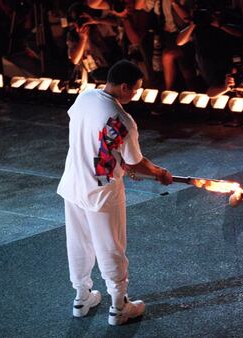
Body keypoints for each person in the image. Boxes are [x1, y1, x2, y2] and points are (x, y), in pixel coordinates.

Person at [57, 60, 173, 325]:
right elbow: (135, 162)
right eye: (136, 90)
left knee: (78, 242)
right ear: (124, 87)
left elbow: (91, 137)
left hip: (73, 183)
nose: (136, 94)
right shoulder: (124, 120)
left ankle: (81, 296)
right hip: (103, 191)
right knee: (111, 246)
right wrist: (159, 173)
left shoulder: (84, 98)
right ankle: (119, 305)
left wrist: (119, 161)